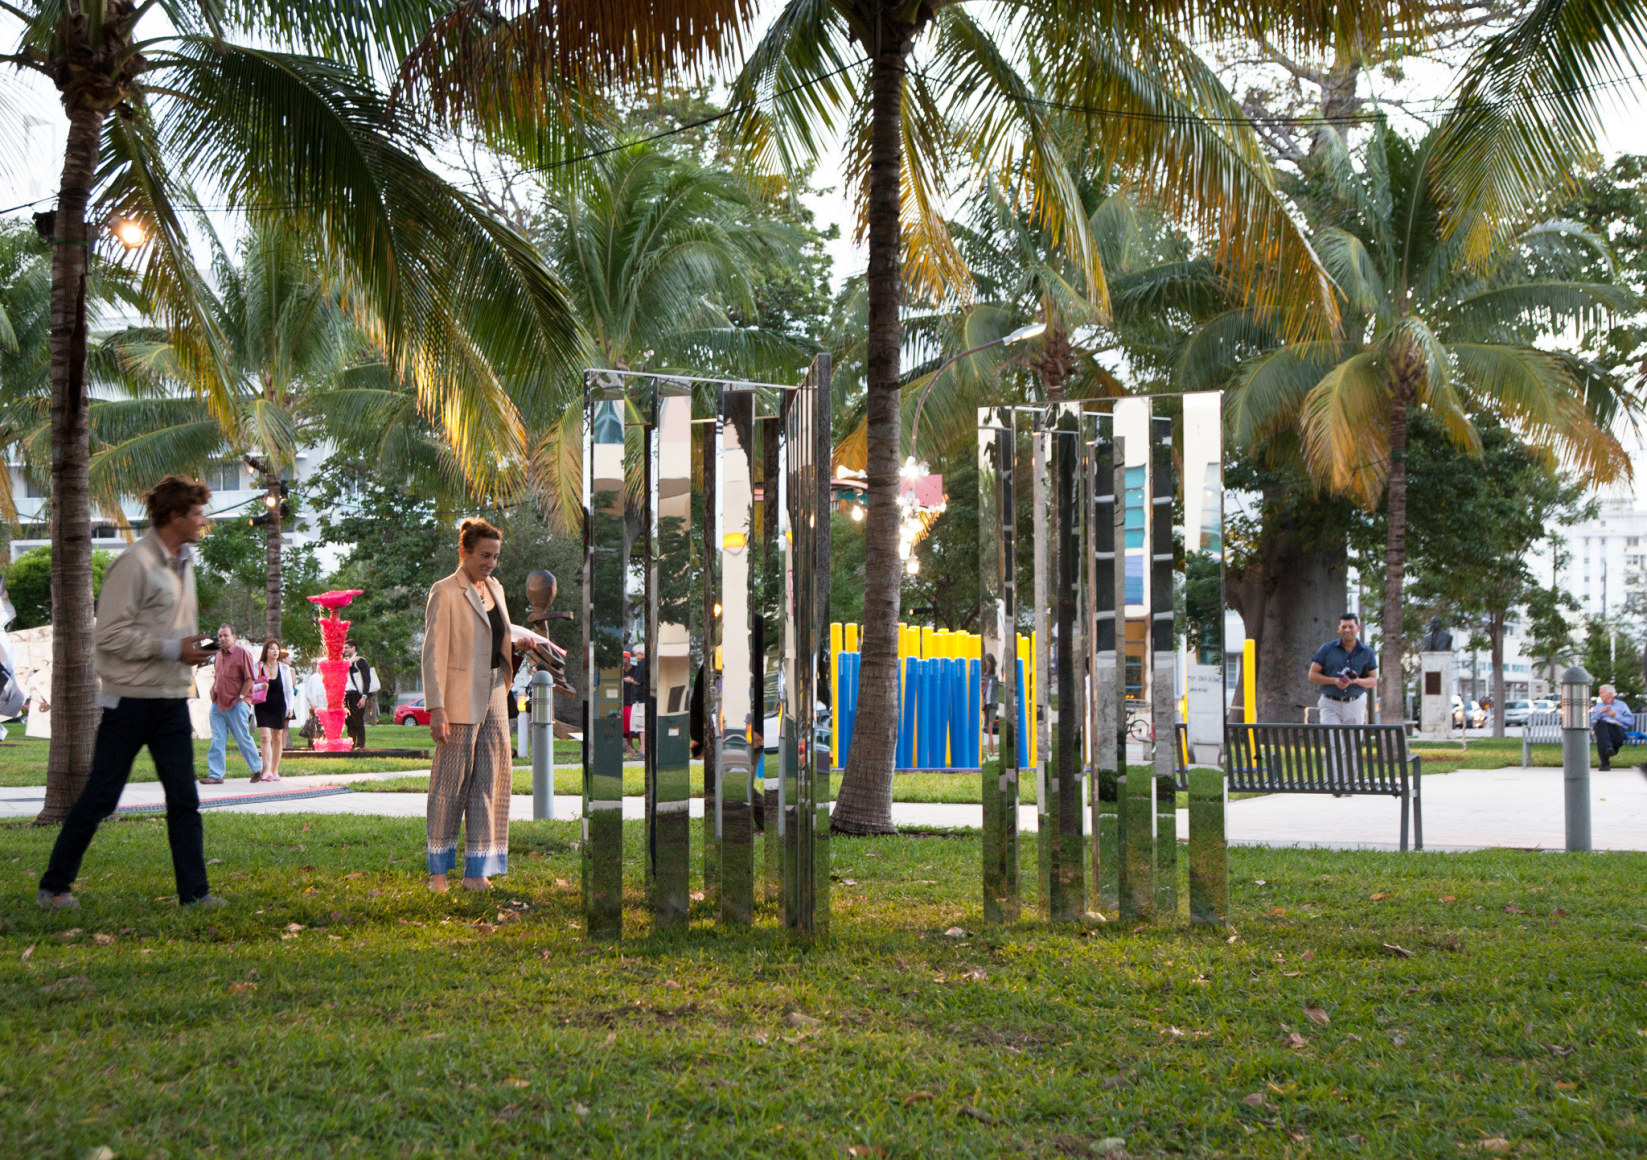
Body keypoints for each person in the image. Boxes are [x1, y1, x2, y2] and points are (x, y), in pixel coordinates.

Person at [36, 476, 224, 910]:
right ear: (174, 515)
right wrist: (172, 649)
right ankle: (53, 888)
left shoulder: (184, 562)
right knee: (101, 797)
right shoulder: (134, 563)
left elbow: (169, 630)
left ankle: (195, 895)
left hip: (172, 699)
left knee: (185, 800)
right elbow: (109, 635)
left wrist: (194, 649)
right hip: (130, 701)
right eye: (197, 513)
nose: (203, 521)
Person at [421, 517, 524, 893]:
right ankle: (438, 874)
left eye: (495, 556)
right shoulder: (445, 591)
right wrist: (437, 708)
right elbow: (432, 654)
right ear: (464, 552)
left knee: (489, 783)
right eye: (484, 555)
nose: (491, 563)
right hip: (457, 699)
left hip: (496, 692)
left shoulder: (496, 588)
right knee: (449, 786)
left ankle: (476, 871)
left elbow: (495, 639)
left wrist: (517, 646)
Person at [1307, 612, 1378, 788]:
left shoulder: (1367, 652)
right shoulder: (1327, 649)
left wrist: (1356, 681)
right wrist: (1334, 681)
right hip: (1330, 703)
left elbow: (1373, 680)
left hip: (1355, 702)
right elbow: (1312, 675)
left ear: (1358, 628)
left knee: (1352, 746)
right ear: (1338, 629)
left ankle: (1348, 783)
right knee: (1333, 744)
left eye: (1351, 626)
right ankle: (1334, 783)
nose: (1347, 630)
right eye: (1343, 627)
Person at [204, 623, 262, 784]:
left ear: (234, 637)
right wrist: (213, 688)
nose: (222, 638)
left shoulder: (242, 653)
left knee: (242, 737)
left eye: (226, 635)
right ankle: (215, 775)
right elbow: (218, 677)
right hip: (218, 704)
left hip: (237, 703)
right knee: (217, 739)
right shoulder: (218, 656)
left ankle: (257, 769)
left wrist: (241, 696)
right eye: (220, 636)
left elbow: (250, 678)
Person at [251, 638, 294, 782]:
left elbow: (288, 690)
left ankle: (275, 770)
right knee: (265, 737)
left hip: (279, 705)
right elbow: (249, 685)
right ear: (266, 651)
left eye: (277, 648)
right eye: (271, 648)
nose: (275, 651)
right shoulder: (257, 666)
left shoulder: (284, 668)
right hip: (262, 705)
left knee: (277, 737)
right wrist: (259, 687)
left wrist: (290, 707)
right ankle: (266, 770)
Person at [1590, 684, 1634, 770]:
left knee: (1602, 735)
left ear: (1610, 694)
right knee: (1601, 725)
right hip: (1603, 730)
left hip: (1617, 729)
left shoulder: (1621, 705)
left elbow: (1631, 721)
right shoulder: (1599, 706)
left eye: (1602, 693)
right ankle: (1609, 748)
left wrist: (1615, 716)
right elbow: (1590, 721)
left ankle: (1605, 763)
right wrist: (1599, 713)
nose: (1600, 695)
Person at [343, 642, 377, 751]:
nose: (344, 650)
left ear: (353, 648)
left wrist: (364, 696)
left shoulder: (360, 661)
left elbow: (367, 680)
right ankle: (351, 744)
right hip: (346, 694)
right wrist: (349, 662)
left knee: (358, 720)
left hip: (357, 694)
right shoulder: (346, 662)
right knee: (349, 721)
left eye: (347, 647)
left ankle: (360, 745)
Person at [981, 653, 1000, 759]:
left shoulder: (996, 676)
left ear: (991, 662)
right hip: (987, 705)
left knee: (990, 728)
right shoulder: (986, 675)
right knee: (989, 730)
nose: (986, 663)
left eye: (988, 661)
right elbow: (984, 689)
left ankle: (989, 753)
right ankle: (992, 754)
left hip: (993, 705)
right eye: (986, 661)